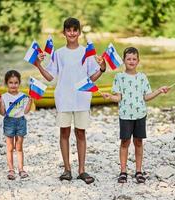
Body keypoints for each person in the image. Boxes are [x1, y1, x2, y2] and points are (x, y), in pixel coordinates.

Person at [35, 17, 106, 184]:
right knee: (64, 133)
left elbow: (92, 77)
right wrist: (38, 65)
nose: (72, 33)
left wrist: (102, 69)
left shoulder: (86, 53)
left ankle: (81, 170)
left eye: (75, 30)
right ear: (64, 33)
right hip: (63, 98)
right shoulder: (58, 54)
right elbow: (51, 77)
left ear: (79, 33)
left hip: (82, 98)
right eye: (69, 30)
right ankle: (67, 169)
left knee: (81, 133)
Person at [101, 47, 169, 183]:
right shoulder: (119, 77)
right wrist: (110, 97)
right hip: (125, 115)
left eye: (134, 59)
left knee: (138, 142)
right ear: (124, 61)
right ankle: (123, 171)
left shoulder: (142, 77)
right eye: (128, 59)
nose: (131, 61)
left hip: (140, 115)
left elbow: (147, 97)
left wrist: (159, 90)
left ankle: (138, 171)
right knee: (125, 142)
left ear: (138, 61)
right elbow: (118, 98)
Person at [0, 70, 33, 180]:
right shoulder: (3, 97)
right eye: (11, 82)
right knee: (10, 147)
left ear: (19, 83)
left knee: (19, 147)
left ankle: (21, 169)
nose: (13, 85)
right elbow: (2, 113)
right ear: (6, 83)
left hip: (21, 121)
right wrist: (0, 102)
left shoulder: (23, 96)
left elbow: (26, 111)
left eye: (16, 82)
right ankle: (11, 170)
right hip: (9, 122)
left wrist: (30, 101)